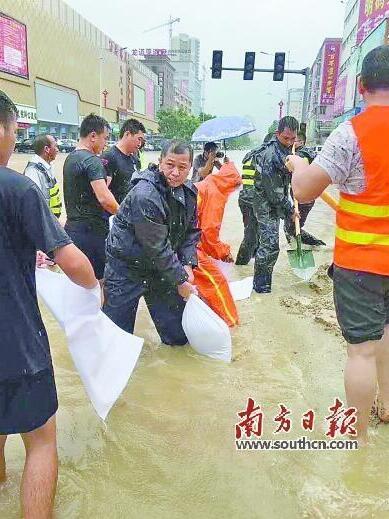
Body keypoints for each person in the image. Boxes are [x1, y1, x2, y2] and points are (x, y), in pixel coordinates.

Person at [0, 91, 98, 518]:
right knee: (41, 440)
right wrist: (94, 289)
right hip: (16, 344)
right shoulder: (18, 188)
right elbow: (73, 262)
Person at [287, 45, 389, 444]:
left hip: (361, 262)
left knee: (361, 352)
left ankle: (359, 440)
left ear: (361, 86)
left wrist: (298, 167)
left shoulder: (350, 134)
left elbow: (305, 189)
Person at [103, 140, 199, 345]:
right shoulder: (145, 195)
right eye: (170, 165)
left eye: (182, 167)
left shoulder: (189, 193)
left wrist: (188, 263)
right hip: (126, 269)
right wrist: (181, 280)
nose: (175, 172)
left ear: (190, 168)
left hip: (161, 270)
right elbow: (157, 246)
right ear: (160, 162)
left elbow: (190, 232)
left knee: (179, 338)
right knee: (114, 340)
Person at [63, 114, 119, 281]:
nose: (106, 143)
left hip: (73, 231)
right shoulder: (92, 161)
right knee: (98, 283)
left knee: (78, 284)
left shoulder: (70, 158)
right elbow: (104, 198)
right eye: (105, 138)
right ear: (93, 136)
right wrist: (124, 214)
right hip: (92, 233)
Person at [252, 116, 299, 293]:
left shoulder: (286, 151)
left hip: (275, 202)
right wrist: (291, 210)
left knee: (264, 243)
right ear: (277, 133)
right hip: (265, 205)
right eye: (285, 138)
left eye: (293, 138)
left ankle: (261, 283)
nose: (289, 142)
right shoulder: (270, 155)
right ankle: (261, 288)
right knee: (270, 245)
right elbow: (275, 193)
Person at [194, 162, 241, 327]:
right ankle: (231, 323)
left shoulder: (205, 184)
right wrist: (223, 252)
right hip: (186, 246)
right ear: (230, 183)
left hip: (176, 240)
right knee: (217, 282)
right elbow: (208, 233)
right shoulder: (215, 194)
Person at [236, 133, 273, 265]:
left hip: (246, 199)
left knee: (254, 234)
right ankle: (240, 265)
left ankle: (246, 267)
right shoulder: (264, 157)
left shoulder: (253, 153)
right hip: (252, 201)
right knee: (251, 236)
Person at [283, 131, 326, 247]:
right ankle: (307, 246)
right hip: (307, 196)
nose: (291, 142)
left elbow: (302, 173)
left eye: (294, 140)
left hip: (303, 198)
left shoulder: (302, 155)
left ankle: (317, 245)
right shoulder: (308, 153)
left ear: (301, 142)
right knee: (292, 226)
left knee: (290, 227)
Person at [102, 118, 146, 204]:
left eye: (142, 141)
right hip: (114, 213)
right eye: (139, 139)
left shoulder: (135, 159)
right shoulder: (109, 157)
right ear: (127, 134)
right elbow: (103, 193)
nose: (140, 144)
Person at [23, 134, 62, 218]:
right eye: (55, 146)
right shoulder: (33, 171)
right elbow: (33, 203)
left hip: (50, 221)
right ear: (46, 149)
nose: (57, 150)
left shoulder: (46, 167)